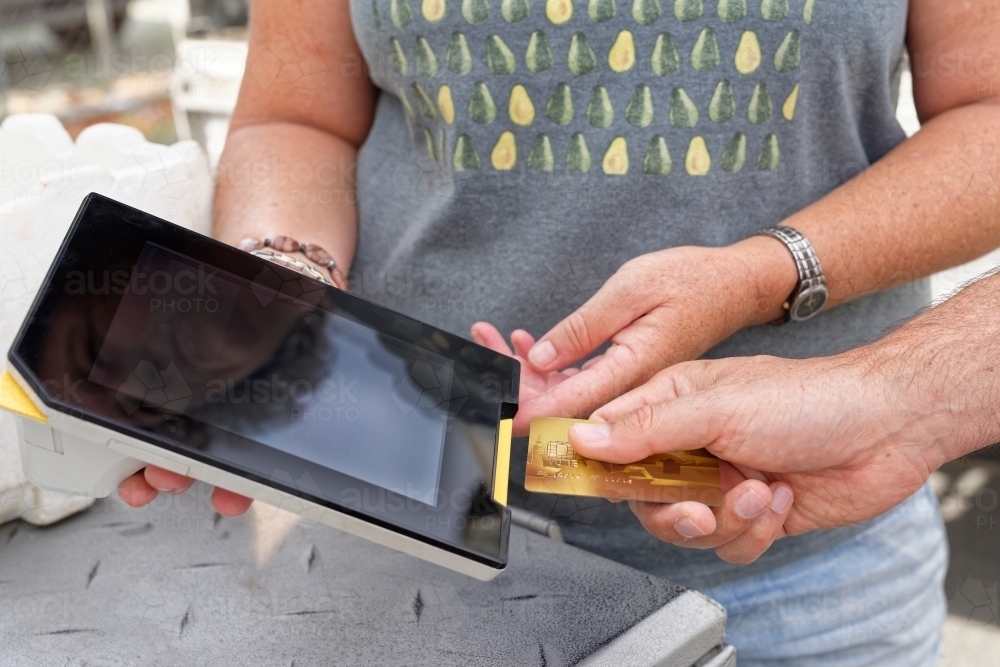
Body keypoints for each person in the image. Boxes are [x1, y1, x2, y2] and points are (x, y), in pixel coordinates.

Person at [117, 0, 1000, 663]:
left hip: (805, 571)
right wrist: (281, 295)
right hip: (406, 524)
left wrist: (760, 273)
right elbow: (294, 117)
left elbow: (987, 114)